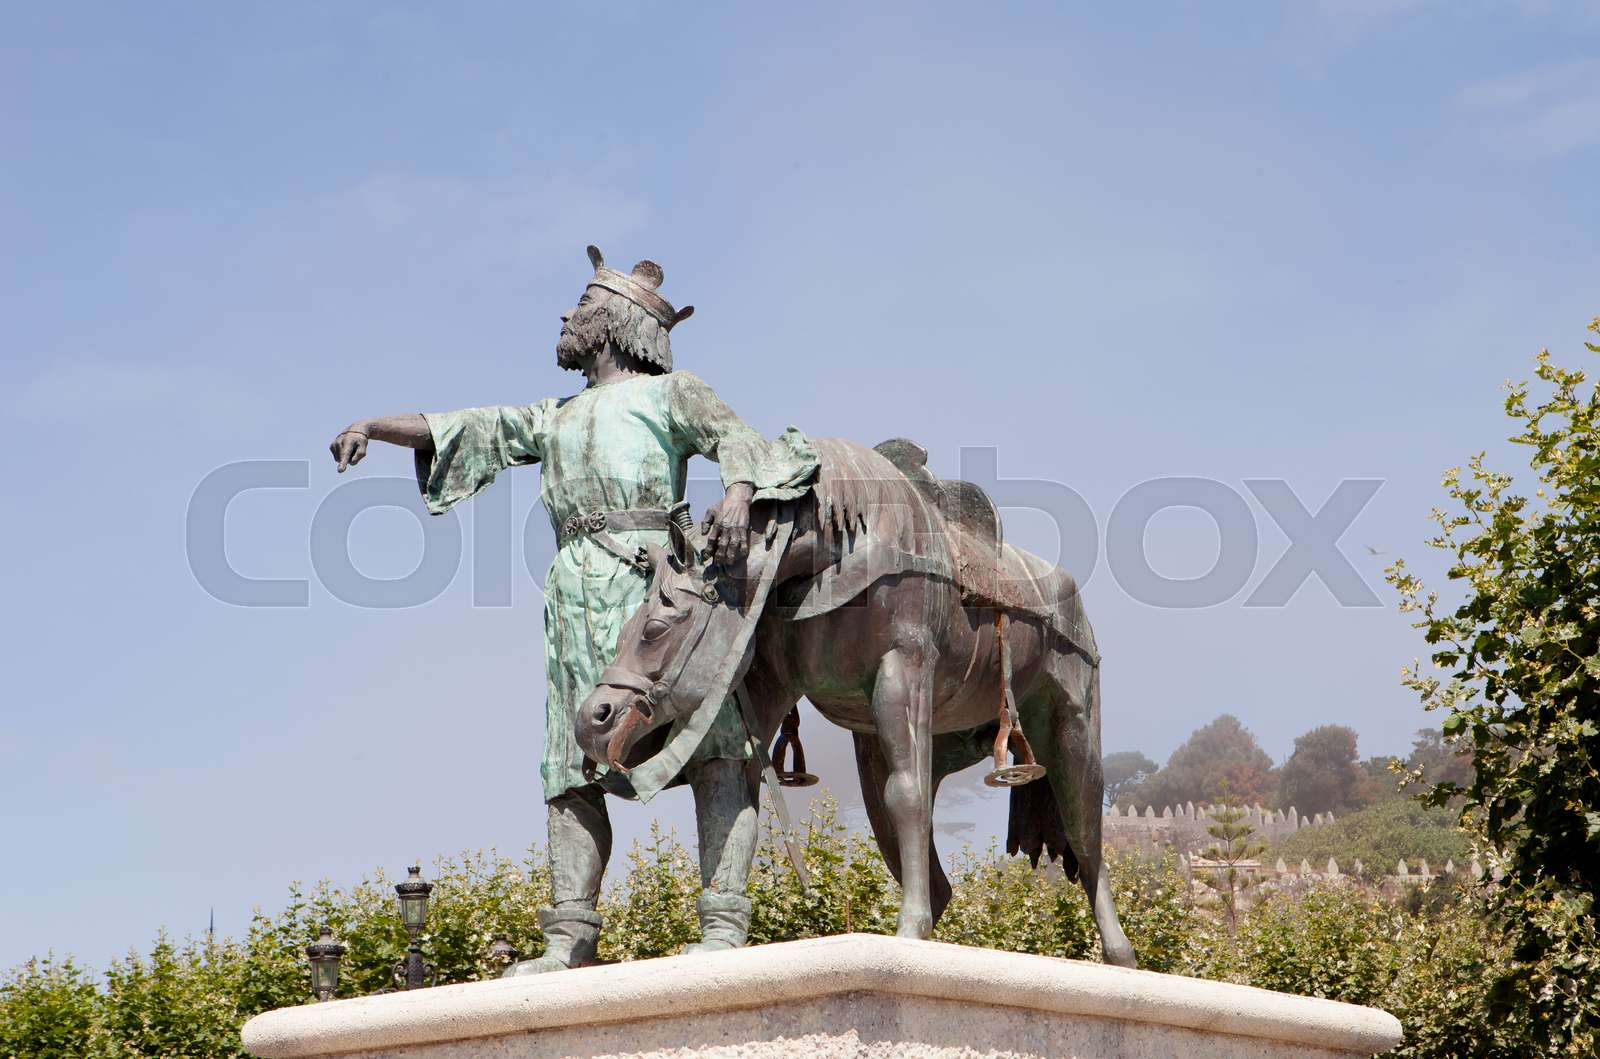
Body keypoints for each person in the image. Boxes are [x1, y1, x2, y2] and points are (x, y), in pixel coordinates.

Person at [328, 246, 817, 970]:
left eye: (581, 306)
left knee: (716, 748)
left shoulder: (671, 393)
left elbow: (739, 438)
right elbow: (469, 425)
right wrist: (374, 422)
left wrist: (740, 489)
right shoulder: (553, 417)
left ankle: (723, 923)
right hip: (573, 599)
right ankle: (570, 937)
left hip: (658, 589)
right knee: (567, 766)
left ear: (615, 321)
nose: (565, 316)